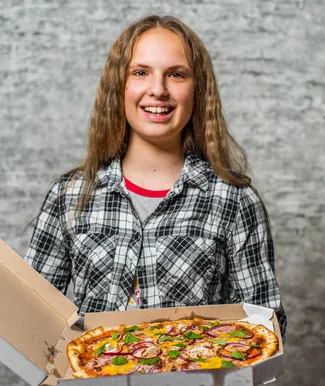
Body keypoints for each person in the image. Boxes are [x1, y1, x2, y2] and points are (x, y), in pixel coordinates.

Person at [24, 15, 286, 339]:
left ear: (197, 89)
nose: (158, 90)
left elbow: (265, 329)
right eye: (140, 72)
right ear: (119, 85)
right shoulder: (70, 196)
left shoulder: (235, 201)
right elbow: (31, 324)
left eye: (176, 74)